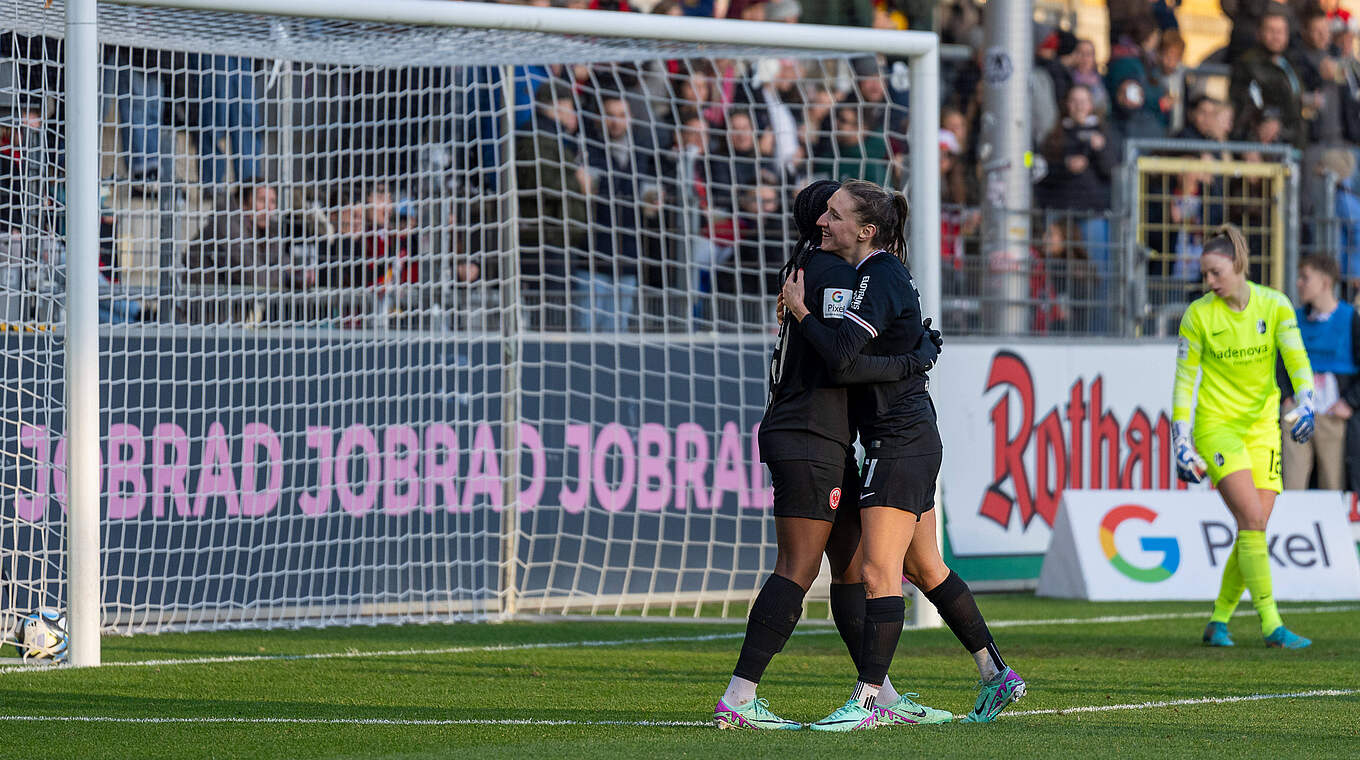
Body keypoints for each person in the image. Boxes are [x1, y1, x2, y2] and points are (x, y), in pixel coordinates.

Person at [781, 179, 1025, 730]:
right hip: (904, 436)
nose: (823, 221)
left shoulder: (880, 274)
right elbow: (864, 359)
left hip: (900, 440)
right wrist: (916, 357)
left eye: (835, 214)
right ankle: (996, 674)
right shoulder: (876, 274)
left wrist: (801, 312)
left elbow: (842, 359)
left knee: (876, 572)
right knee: (926, 566)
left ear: (866, 231)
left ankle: (869, 701)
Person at [714, 180, 943, 730]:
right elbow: (846, 355)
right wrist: (919, 352)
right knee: (798, 566)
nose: (829, 223)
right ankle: (738, 697)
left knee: (849, 567)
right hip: (810, 433)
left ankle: (880, 693)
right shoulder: (838, 275)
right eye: (831, 213)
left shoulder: (808, 269)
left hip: (824, 435)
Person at [1172, 225, 1316, 649]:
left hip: (1263, 428)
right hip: (1216, 428)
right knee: (1252, 520)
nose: (1209, 283)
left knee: (1253, 524)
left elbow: (1297, 358)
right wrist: (1182, 439)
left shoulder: (1275, 306)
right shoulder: (1198, 315)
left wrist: (1306, 401)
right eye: (1205, 275)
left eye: (1215, 273)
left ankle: (1218, 620)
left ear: (1237, 266)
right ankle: (1272, 625)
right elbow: (1184, 384)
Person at [1281, 254, 1360, 490]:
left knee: (1333, 485)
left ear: (1325, 283)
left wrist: (1349, 402)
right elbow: (1280, 365)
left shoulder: (1350, 319)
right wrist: (1285, 397)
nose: (1299, 283)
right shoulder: (1293, 320)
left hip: (1333, 415)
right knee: (1292, 485)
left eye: (1305, 278)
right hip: (1297, 412)